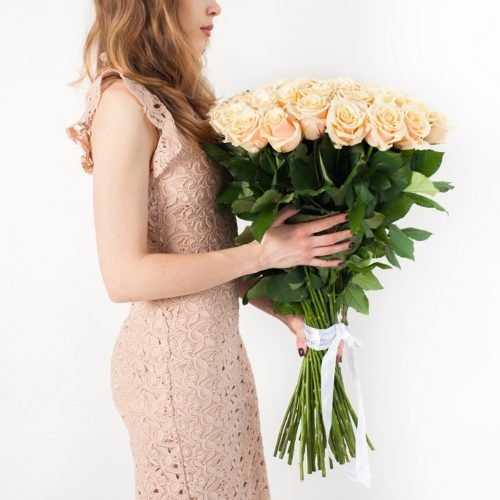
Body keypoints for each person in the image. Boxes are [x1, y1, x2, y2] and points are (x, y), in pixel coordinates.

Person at [65, 1, 353, 498]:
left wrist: (286, 310)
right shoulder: (124, 105)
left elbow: (205, 247)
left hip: (218, 360)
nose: (216, 7)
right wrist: (264, 254)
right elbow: (123, 276)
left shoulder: (181, 98)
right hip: (172, 370)